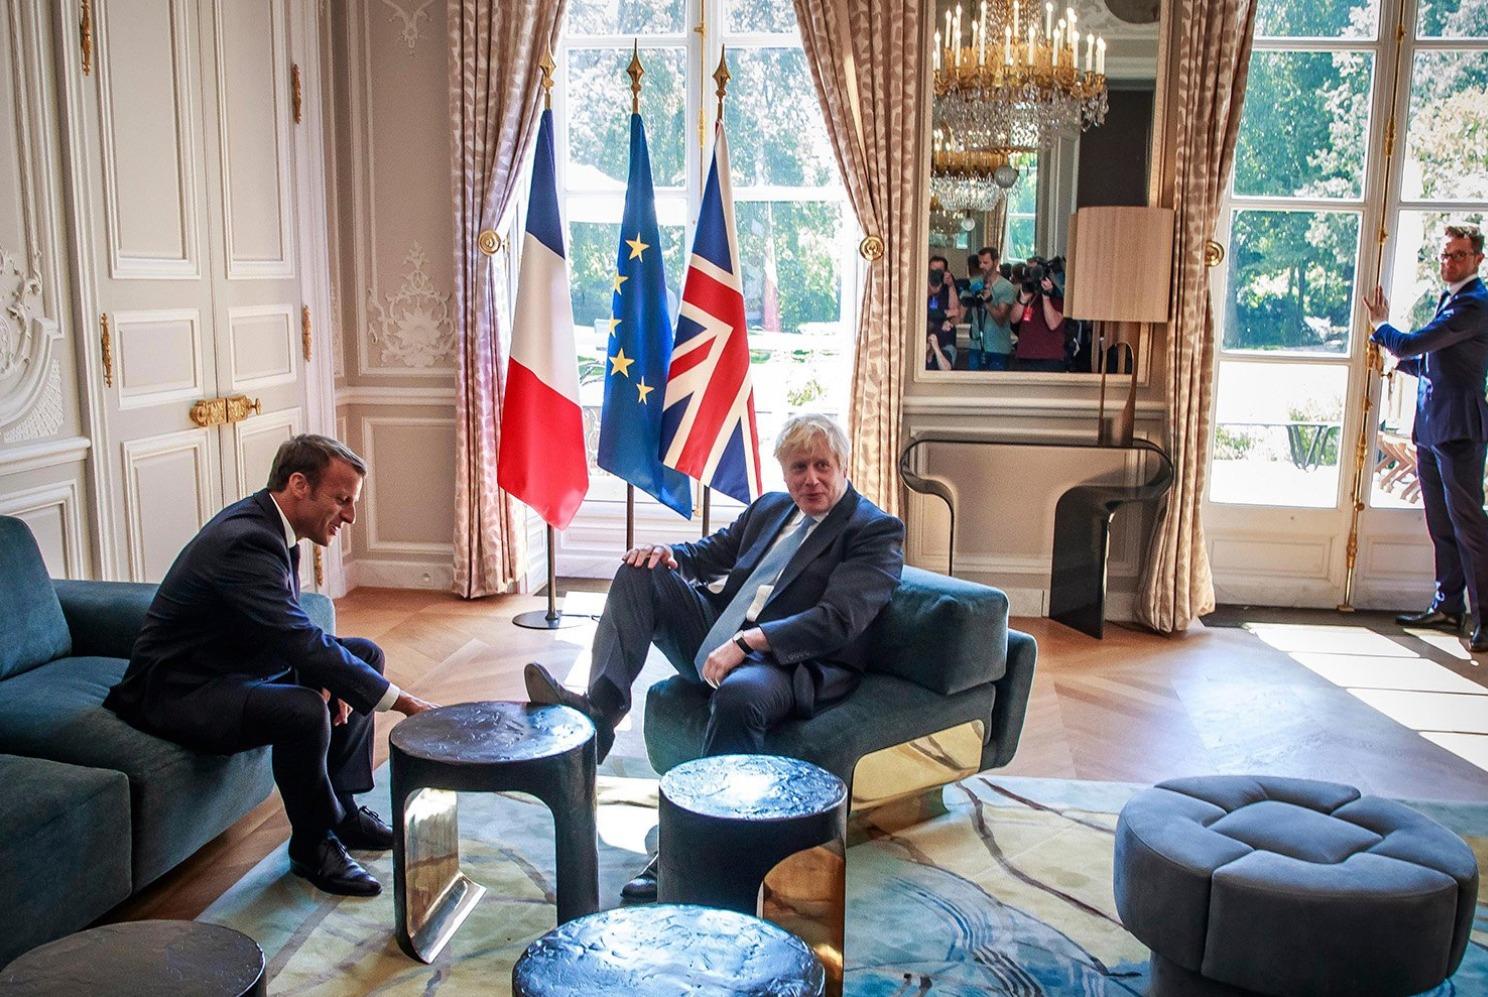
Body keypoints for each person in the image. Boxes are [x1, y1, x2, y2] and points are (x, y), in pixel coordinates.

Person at [523, 412, 905, 900]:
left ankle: (691, 847)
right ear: (784, 473)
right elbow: (710, 553)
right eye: (798, 468)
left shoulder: (873, 530)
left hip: (789, 660)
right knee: (638, 572)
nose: (811, 479)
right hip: (722, 633)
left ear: (843, 466)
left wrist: (748, 643)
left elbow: (839, 619)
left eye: (822, 466)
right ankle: (600, 712)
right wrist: (668, 554)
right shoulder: (771, 508)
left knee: (740, 697)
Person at [105, 435, 438, 896]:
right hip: (182, 690)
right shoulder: (245, 541)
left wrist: (328, 677)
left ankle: (341, 808)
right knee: (302, 710)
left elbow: (285, 629)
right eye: (342, 500)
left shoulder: (275, 527)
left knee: (365, 655)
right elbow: (296, 638)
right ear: (299, 484)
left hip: (237, 666)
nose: (350, 516)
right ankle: (312, 842)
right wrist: (404, 702)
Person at [1366, 224, 1488, 652]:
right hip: (1430, 428)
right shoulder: (1451, 299)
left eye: (1459, 255)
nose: (1450, 263)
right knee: (1441, 524)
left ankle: (1485, 621)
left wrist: (1381, 327)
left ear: (1478, 259)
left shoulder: (1476, 306)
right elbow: (1432, 364)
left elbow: (1410, 345)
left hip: (1460, 430)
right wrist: (1395, 364)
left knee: (1469, 527)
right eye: (1445, 255)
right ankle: (1448, 607)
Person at [1010, 259, 1069, 372]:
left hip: (1049, 358)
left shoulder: (1057, 295)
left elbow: (1053, 324)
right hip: (1025, 356)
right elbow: (1013, 319)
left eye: (1034, 271)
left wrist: (1046, 296)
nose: (1030, 274)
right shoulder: (1025, 291)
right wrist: (1022, 300)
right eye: (1028, 270)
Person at [975, 246, 1018, 371]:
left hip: (998, 348)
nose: (982, 266)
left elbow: (1001, 319)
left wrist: (987, 302)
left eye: (986, 262)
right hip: (977, 345)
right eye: (980, 262)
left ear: (996, 262)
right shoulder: (976, 283)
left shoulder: (1006, 287)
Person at [926, 256, 961, 370]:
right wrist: (930, 289)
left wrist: (950, 285)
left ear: (946, 272)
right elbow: (922, 310)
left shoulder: (949, 286)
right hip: (927, 340)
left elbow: (955, 312)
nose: (935, 274)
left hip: (945, 340)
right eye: (932, 271)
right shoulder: (922, 284)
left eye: (939, 271)